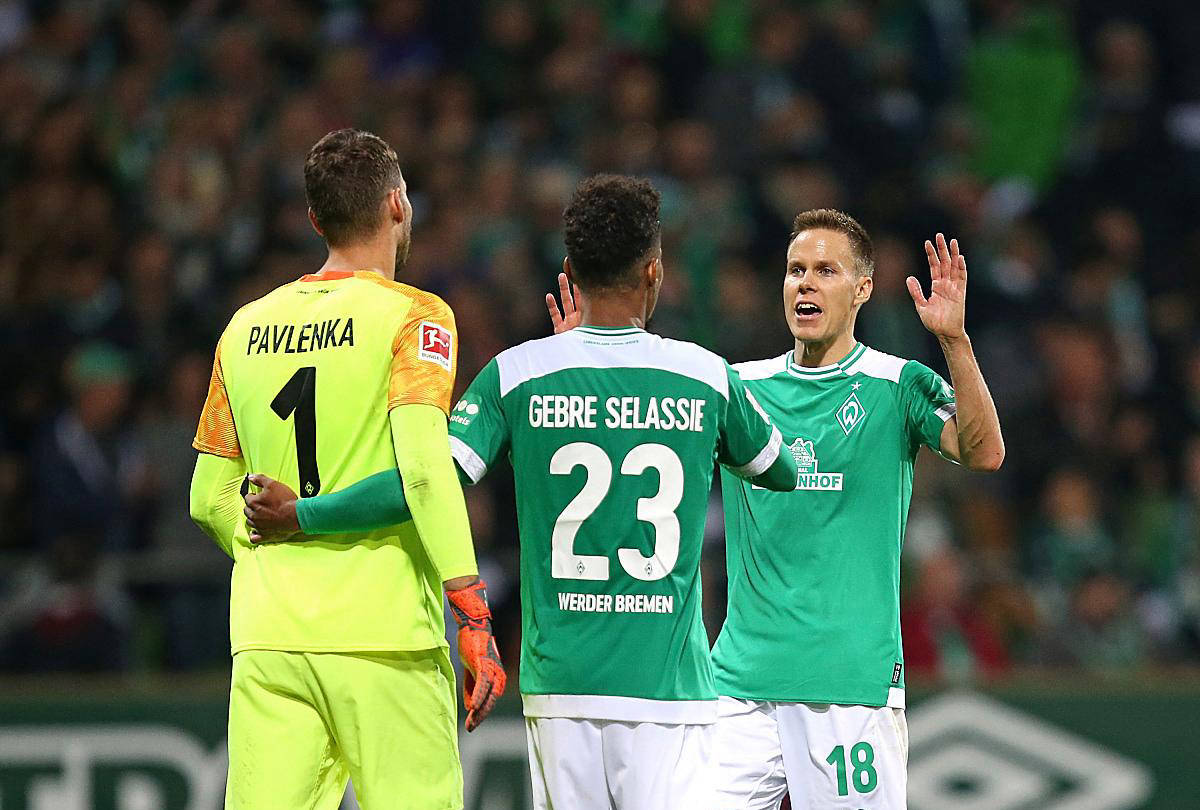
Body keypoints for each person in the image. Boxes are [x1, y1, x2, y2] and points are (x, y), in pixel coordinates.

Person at [243, 174, 799, 810]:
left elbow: (424, 483)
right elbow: (779, 470)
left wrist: (304, 513)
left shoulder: (518, 374)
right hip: (669, 693)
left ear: (571, 271)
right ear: (654, 270)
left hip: (561, 690)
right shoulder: (705, 375)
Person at [188, 128, 505, 810]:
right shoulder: (416, 317)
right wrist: (471, 608)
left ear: (315, 220)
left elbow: (207, 498)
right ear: (397, 205)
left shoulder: (242, 328)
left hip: (271, 638)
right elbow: (424, 471)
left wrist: (274, 544)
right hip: (384, 637)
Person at [707, 212, 1005, 809]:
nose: (805, 282)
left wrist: (954, 341)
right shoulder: (737, 388)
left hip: (851, 688)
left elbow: (984, 452)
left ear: (862, 289)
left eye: (826, 270)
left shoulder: (897, 384)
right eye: (795, 270)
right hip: (739, 688)